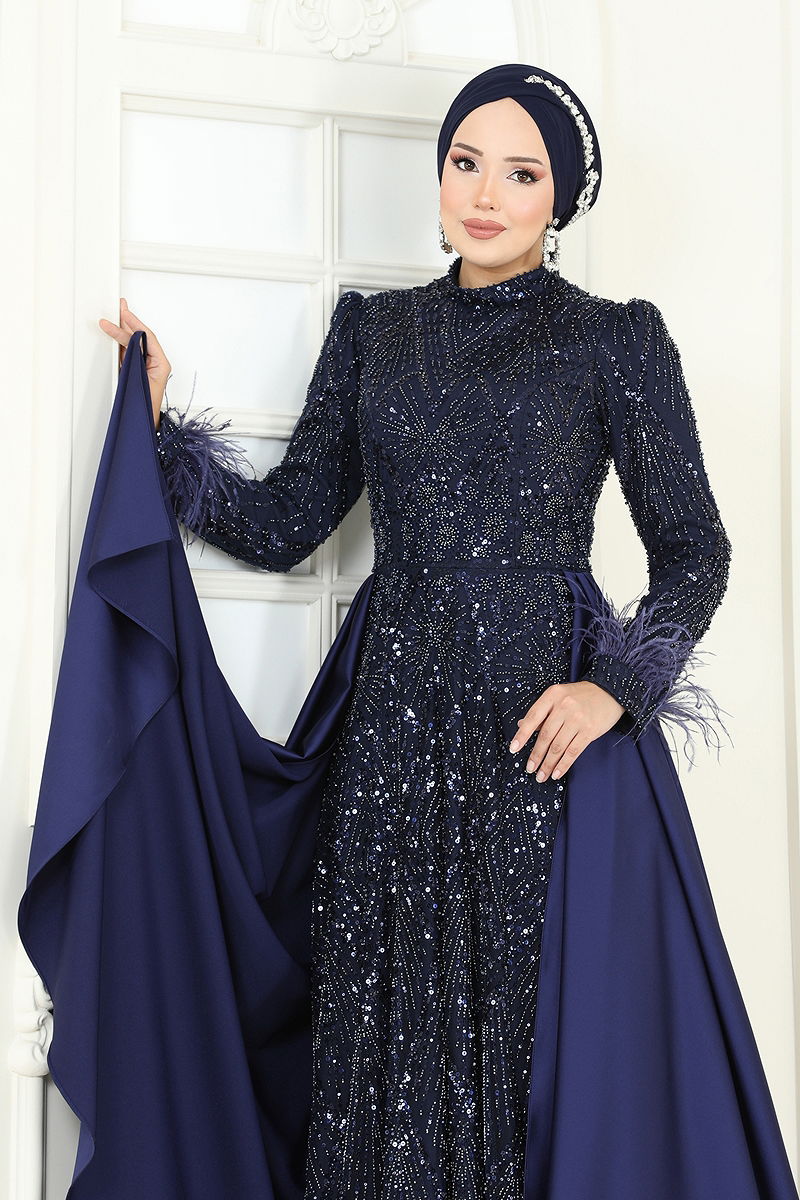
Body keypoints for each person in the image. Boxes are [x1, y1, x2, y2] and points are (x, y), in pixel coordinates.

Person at [91, 61, 799, 1200]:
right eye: (465, 162)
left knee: (532, 1043)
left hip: (540, 737)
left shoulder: (614, 340)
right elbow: (285, 524)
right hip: (392, 731)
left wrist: (613, 688)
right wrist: (158, 422)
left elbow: (695, 550)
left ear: (559, 202)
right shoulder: (374, 332)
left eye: (521, 174)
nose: (484, 194)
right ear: (438, 174)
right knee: (383, 1043)